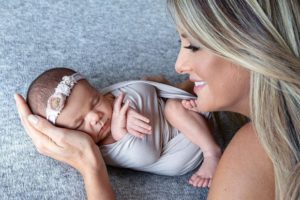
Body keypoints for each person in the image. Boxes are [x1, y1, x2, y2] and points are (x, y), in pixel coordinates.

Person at [15, 0, 300, 199]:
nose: (178, 64)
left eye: (194, 46)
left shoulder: (253, 153)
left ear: (257, 47)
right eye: (181, 44)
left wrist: (89, 165)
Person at [25, 67, 221, 187]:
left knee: (171, 106)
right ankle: (210, 151)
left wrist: (131, 107)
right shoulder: (99, 151)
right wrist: (120, 132)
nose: (95, 117)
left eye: (94, 102)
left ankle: (209, 146)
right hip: (182, 148)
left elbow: (140, 90)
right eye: (79, 123)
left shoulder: (111, 97)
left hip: (187, 115)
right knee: (170, 107)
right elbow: (144, 155)